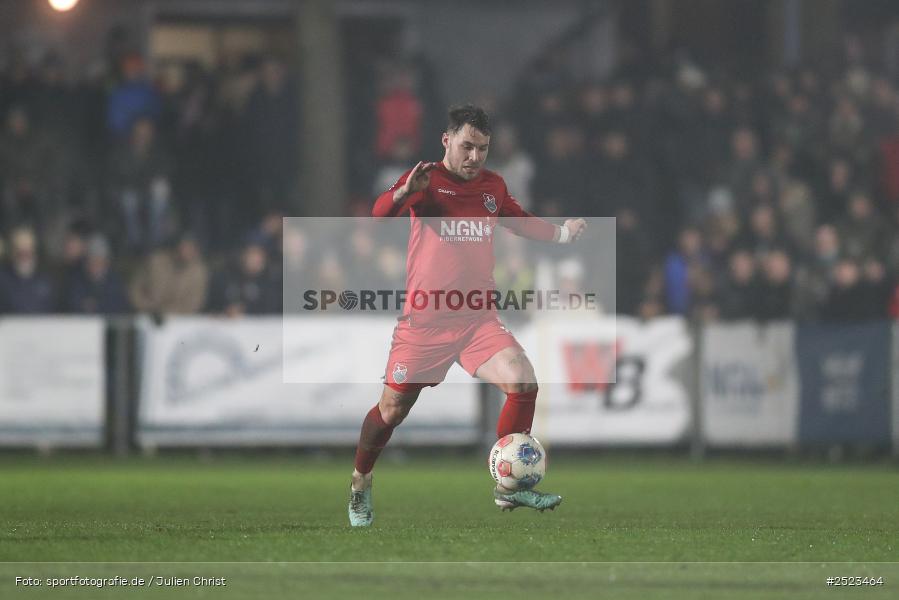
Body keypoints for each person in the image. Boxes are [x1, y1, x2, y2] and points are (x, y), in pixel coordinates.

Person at [348, 105, 587, 527]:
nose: (475, 157)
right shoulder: (426, 181)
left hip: (477, 319)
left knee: (523, 380)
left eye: (482, 149)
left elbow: (519, 221)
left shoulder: (493, 186)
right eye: (467, 147)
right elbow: (379, 215)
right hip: (425, 323)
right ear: (447, 141)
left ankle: (509, 487)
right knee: (391, 411)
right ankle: (360, 483)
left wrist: (563, 233)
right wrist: (403, 193)